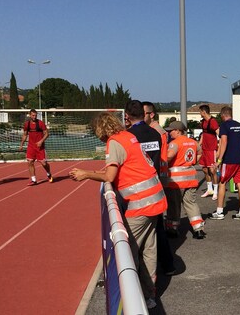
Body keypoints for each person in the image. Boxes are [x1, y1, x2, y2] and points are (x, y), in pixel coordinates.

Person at [69, 112, 167, 310]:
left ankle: (134, 298)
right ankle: (150, 294)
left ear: (100, 129)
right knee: (149, 249)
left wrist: (85, 174)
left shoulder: (114, 142)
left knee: (128, 252)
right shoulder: (128, 136)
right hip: (156, 200)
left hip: (140, 204)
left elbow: (110, 176)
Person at [126, 100, 176, 277]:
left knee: (139, 237)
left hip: (138, 188)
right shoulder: (155, 134)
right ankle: (167, 265)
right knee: (156, 229)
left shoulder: (130, 136)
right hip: (155, 184)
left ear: (127, 116)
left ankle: (134, 274)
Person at [165, 121, 207, 239]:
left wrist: (162, 164)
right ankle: (198, 229)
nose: (169, 133)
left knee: (174, 205)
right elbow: (200, 153)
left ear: (178, 131)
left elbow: (169, 156)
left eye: (171, 131)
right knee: (191, 203)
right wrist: (192, 162)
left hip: (176, 181)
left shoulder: (174, 143)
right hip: (191, 178)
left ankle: (172, 228)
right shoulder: (193, 142)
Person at [209, 106, 240, 221]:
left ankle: (219, 211)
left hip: (229, 160)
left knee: (222, 183)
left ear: (222, 115)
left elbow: (224, 142)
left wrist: (219, 160)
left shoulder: (224, 126)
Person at [19, 109, 53, 185]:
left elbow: (47, 134)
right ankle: (33, 180)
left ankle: (48, 173)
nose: (34, 117)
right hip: (31, 146)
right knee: (30, 161)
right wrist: (21, 144)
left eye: (35, 115)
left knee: (43, 163)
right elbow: (25, 134)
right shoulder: (27, 124)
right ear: (30, 115)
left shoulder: (40, 123)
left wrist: (41, 141)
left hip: (40, 147)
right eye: (33, 115)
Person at [198, 104, 220, 199]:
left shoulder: (213, 122)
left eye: (200, 112)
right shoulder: (203, 122)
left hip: (212, 149)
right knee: (205, 169)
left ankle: (216, 191)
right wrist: (199, 145)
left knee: (212, 170)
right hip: (204, 149)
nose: (200, 113)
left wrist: (219, 150)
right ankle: (209, 189)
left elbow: (220, 135)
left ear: (204, 112)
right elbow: (203, 134)